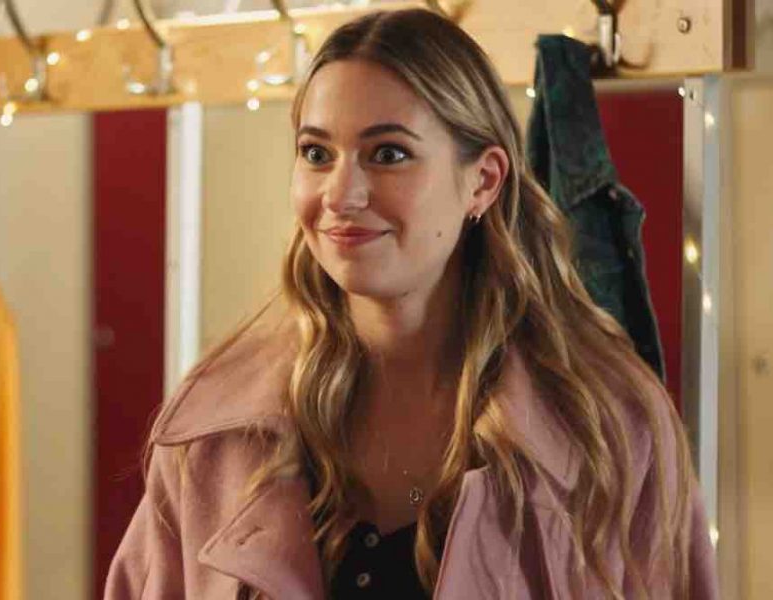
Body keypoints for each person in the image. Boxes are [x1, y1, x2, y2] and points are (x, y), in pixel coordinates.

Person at [104, 8, 717, 599]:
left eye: (388, 154)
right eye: (317, 153)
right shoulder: (212, 435)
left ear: (483, 181)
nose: (341, 194)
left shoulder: (609, 430)